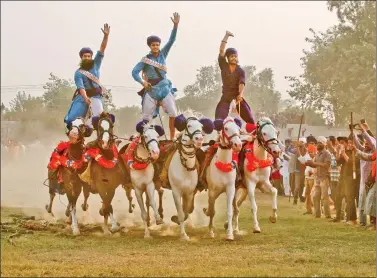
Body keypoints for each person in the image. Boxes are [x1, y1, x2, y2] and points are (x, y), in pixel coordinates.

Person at [131, 13, 180, 140]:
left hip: (164, 88)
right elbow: (134, 72)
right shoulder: (145, 60)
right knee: (146, 118)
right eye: (153, 45)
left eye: (157, 44)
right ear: (150, 46)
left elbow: (172, 40)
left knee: (173, 113)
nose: (156, 46)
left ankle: (172, 138)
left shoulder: (163, 54)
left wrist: (175, 25)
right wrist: (143, 83)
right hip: (151, 90)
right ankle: (144, 139)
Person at [64, 24, 110, 134]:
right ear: (81, 58)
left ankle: (88, 129)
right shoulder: (78, 73)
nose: (87, 58)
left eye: (89, 56)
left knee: (99, 116)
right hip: (82, 98)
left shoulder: (96, 64)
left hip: (96, 97)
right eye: (85, 56)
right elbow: (81, 87)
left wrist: (106, 37)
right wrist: (85, 98)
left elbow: (102, 49)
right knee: (71, 120)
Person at [215, 31, 256, 128]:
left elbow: (242, 83)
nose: (234, 58)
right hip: (226, 99)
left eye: (235, 56)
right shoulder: (223, 66)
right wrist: (226, 36)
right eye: (232, 56)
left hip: (238, 98)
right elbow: (221, 50)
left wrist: (240, 95)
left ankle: (254, 139)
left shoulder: (240, 71)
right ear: (228, 58)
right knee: (219, 121)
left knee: (251, 120)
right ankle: (220, 137)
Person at [353, 121, 376, 226]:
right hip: (364, 181)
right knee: (362, 202)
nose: (366, 145)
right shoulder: (364, 151)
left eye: (367, 144)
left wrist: (363, 130)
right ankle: (362, 222)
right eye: (365, 144)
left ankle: (372, 222)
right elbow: (357, 144)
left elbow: (371, 141)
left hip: (371, 180)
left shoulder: (373, 152)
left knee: (371, 201)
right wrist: (352, 132)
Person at [305, 136, 331, 218]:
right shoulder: (317, 154)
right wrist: (310, 165)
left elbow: (326, 165)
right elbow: (315, 165)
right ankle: (317, 214)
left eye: (320, 143)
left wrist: (314, 164)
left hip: (324, 178)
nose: (318, 145)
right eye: (318, 143)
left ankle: (327, 215)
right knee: (315, 196)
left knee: (324, 197)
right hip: (317, 178)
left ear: (324, 144)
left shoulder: (327, 153)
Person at [298, 144, 317, 215]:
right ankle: (309, 209)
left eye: (311, 152)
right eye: (309, 152)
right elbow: (302, 160)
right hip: (307, 178)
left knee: (314, 195)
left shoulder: (317, 158)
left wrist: (312, 172)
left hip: (313, 178)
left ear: (315, 152)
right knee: (307, 194)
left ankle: (317, 210)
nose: (310, 153)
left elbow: (317, 167)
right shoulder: (307, 157)